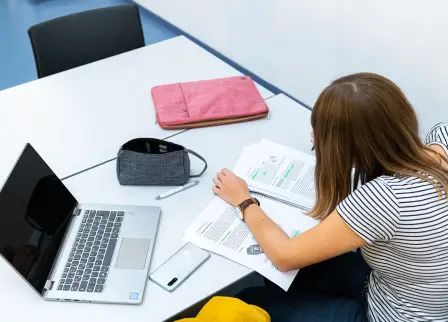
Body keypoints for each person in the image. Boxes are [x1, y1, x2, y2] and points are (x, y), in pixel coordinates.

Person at [212, 73, 448, 322]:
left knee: (250, 299)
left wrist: (244, 200)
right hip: (403, 288)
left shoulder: (385, 198)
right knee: (287, 279)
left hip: (394, 314)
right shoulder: (443, 134)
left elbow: (284, 256)